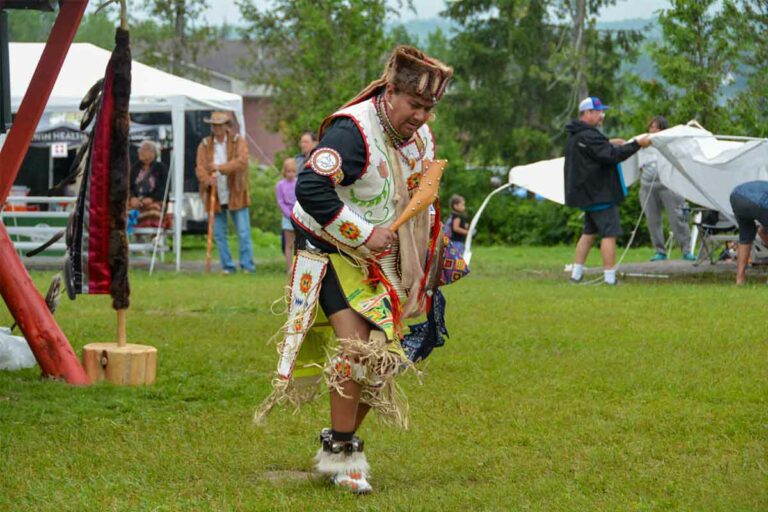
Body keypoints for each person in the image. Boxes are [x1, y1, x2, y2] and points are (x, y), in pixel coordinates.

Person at [255, 46, 453, 494]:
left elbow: (422, 191)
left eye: (429, 108)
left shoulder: (418, 137)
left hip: (379, 257)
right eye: (415, 105)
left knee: (388, 355)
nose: (421, 116)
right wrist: (362, 232)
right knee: (357, 347)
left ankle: (335, 444)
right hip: (328, 247)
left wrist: (435, 245)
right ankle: (343, 454)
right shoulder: (353, 131)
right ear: (390, 92)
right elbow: (309, 188)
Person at [564, 96, 651, 285]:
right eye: (598, 112)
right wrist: (637, 144)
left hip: (587, 195)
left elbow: (595, 151)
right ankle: (610, 279)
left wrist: (609, 142)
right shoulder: (590, 136)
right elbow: (612, 156)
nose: (601, 115)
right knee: (609, 234)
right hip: (600, 194)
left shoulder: (577, 135)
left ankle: (576, 275)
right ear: (587, 113)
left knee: (588, 233)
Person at [195, 111, 254, 274]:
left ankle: (247, 265)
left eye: (220, 125)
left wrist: (220, 168)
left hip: (235, 190)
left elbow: (242, 162)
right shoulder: (205, 144)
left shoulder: (238, 141)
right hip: (214, 192)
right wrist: (207, 180)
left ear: (227, 125)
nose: (217, 128)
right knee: (219, 234)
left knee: (243, 231)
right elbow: (199, 167)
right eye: (214, 125)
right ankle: (227, 266)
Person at [638, 116, 695, 261]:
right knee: (652, 219)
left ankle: (686, 250)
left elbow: (685, 142)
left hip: (669, 184)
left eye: (656, 127)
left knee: (677, 217)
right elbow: (626, 145)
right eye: (651, 127)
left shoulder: (670, 141)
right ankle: (660, 251)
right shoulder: (643, 142)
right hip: (647, 185)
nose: (653, 130)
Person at [729, 181, 768, 285]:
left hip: (736, 196)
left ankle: (740, 279)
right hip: (758, 200)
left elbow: (762, 231)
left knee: (745, 238)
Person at [128, 140, 168, 229]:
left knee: (153, 211)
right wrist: (132, 198)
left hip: (154, 200)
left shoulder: (161, 168)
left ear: (152, 153)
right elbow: (129, 186)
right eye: (140, 149)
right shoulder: (135, 168)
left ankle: (154, 239)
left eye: (144, 149)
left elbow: (164, 188)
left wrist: (151, 198)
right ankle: (130, 236)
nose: (140, 151)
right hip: (137, 201)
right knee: (123, 211)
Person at [275, 157, 298, 271]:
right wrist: (289, 214)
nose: (291, 174)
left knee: (298, 244)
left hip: (298, 217)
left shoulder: (298, 183)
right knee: (288, 244)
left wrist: (296, 213)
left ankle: (297, 266)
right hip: (287, 218)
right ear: (284, 171)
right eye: (288, 171)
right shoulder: (280, 185)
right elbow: (280, 201)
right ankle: (290, 268)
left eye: (293, 171)